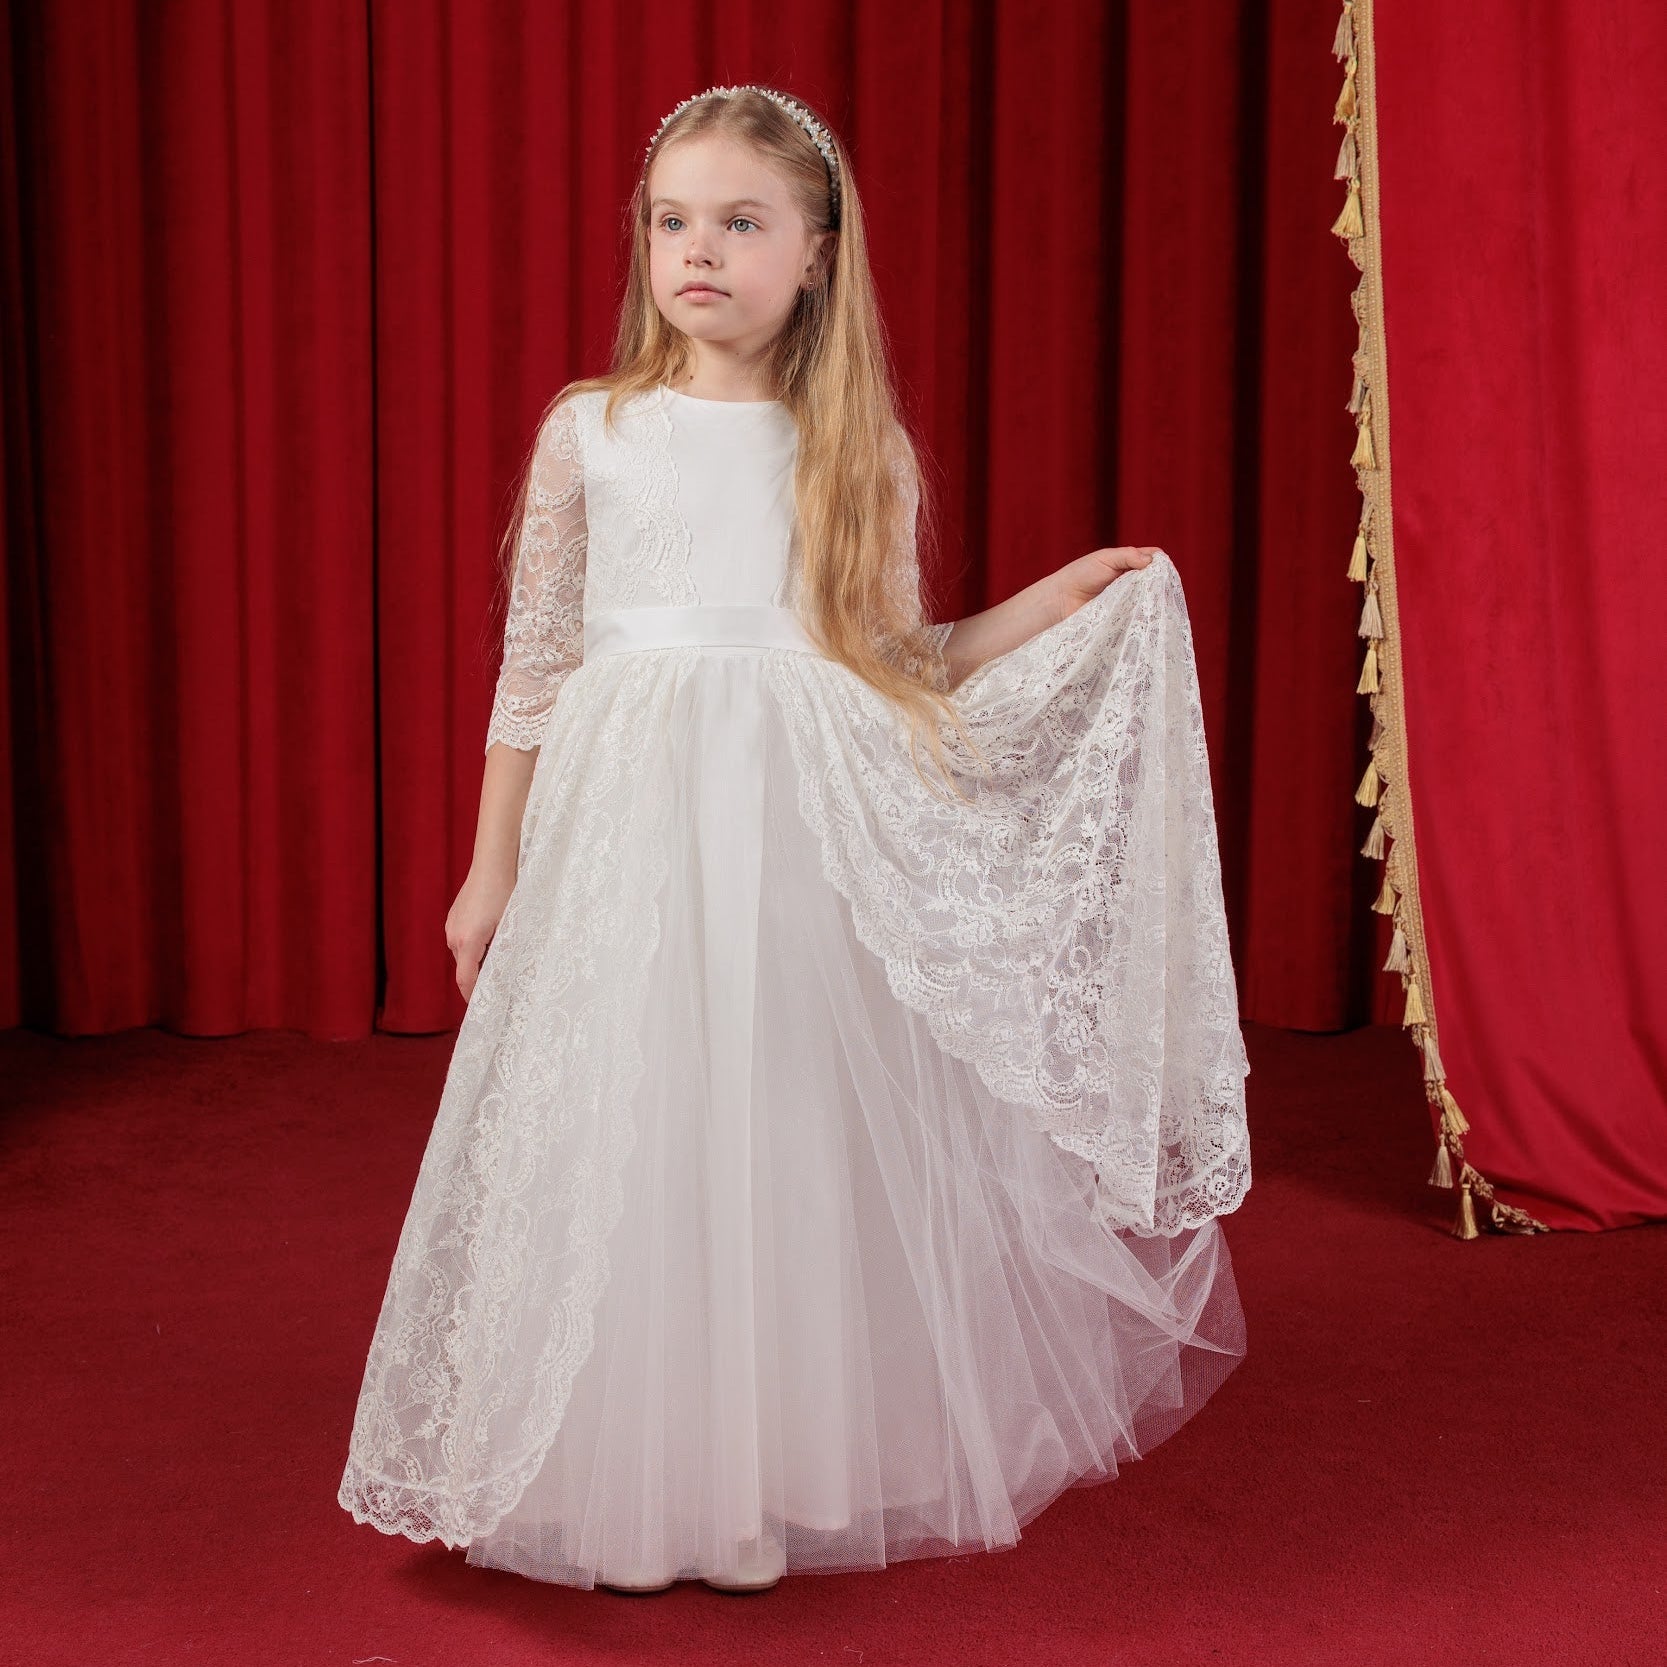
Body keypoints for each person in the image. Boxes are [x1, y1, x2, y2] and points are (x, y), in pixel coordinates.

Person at [337, 83, 1251, 1598]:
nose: (700, 252)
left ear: (817, 253)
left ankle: (760, 1478)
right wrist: (491, 862)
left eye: (741, 224)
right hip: (623, 839)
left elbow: (893, 668)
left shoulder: (857, 450)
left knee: (774, 1129)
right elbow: (535, 668)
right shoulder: (595, 434)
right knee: (631, 1121)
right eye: (672, 222)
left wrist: (1044, 609)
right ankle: (624, 1484)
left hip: (794, 841)